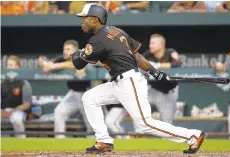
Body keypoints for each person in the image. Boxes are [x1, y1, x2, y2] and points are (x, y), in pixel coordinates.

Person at [72, 3, 206, 154]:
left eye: (85, 18)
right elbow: (136, 55)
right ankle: (104, 140)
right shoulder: (116, 31)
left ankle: (192, 136)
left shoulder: (97, 40)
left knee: (144, 124)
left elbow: (78, 65)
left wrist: (76, 54)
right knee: (90, 98)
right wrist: (155, 72)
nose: (82, 21)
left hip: (129, 82)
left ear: (95, 20)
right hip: (120, 82)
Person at [39, 40, 93, 139]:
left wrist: (54, 66)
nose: (65, 51)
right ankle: (60, 141)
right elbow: (47, 67)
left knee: (90, 123)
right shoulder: (62, 58)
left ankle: (94, 145)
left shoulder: (82, 55)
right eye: (64, 49)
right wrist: (44, 63)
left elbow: (74, 64)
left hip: (87, 94)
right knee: (59, 112)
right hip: (73, 94)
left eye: (68, 49)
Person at [143, 34, 181, 124]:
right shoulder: (147, 55)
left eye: (153, 43)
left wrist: (157, 66)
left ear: (160, 44)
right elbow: (139, 64)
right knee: (140, 116)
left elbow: (178, 64)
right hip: (152, 91)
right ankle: (138, 135)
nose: (150, 46)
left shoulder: (170, 53)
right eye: (150, 43)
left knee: (167, 124)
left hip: (167, 93)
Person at [1, 55, 33, 138]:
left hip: (18, 111)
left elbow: (27, 104)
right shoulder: (2, 82)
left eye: (11, 65)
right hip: (4, 110)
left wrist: (10, 112)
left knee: (17, 119)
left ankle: (21, 144)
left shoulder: (24, 83)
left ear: (17, 67)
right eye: (8, 65)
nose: (8, 67)